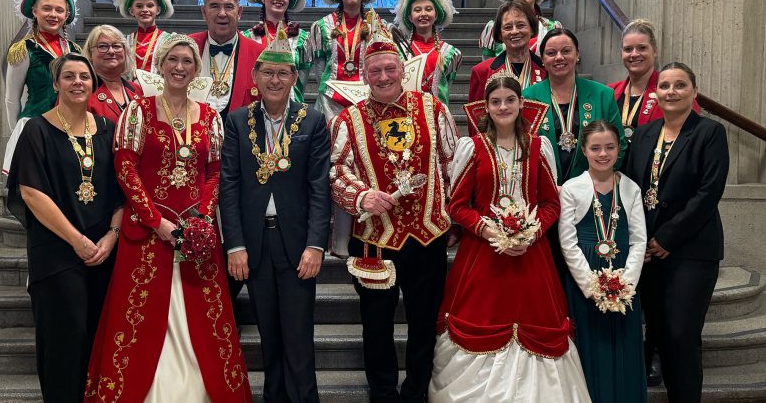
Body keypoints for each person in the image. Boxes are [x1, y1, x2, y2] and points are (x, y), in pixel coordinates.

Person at [84, 35, 251, 402]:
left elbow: (214, 171)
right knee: (141, 315)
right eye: (173, 60)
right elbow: (125, 169)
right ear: (160, 66)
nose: (180, 67)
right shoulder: (138, 111)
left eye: (187, 62)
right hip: (145, 233)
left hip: (197, 233)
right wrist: (156, 221)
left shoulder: (209, 117)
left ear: (196, 69)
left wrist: (203, 220)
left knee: (203, 316)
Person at [430, 73, 589, 403]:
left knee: (536, 323)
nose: (503, 106)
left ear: (521, 103)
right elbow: (458, 206)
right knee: (482, 321)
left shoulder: (537, 147)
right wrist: (488, 229)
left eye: (510, 100)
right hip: (482, 256)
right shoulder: (471, 148)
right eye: (496, 101)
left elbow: (550, 203)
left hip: (532, 255)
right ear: (485, 107)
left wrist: (531, 233)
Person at [330, 21, 458, 403]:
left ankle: (417, 391)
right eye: (375, 71)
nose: (383, 76)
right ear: (364, 76)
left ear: (403, 69)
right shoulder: (346, 120)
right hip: (375, 241)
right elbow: (336, 172)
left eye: (390, 68)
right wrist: (361, 197)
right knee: (376, 326)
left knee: (424, 323)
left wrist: (451, 215)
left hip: (427, 235)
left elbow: (453, 163)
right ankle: (383, 394)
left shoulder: (433, 108)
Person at [220, 26, 331, 402]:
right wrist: (234, 244)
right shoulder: (236, 121)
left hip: (298, 243)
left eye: (283, 73)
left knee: (298, 335)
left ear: (294, 77)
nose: (275, 79)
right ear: (255, 75)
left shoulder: (313, 121)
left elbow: (319, 187)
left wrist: (316, 244)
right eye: (267, 71)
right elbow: (229, 186)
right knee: (269, 333)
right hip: (254, 242)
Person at [6, 53, 122, 402]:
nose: (77, 83)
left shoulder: (107, 130)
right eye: (68, 76)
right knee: (62, 343)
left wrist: (111, 237)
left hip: (103, 253)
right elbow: (30, 191)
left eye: (84, 77)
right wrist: (77, 241)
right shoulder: (36, 129)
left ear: (93, 83)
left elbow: (122, 191)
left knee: (98, 341)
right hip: (57, 253)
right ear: (56, 84)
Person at [625, 62, 729, 403]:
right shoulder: (644, 134)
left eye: (680, 85)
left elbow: (708, 192)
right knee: (656, 331)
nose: (671, 91)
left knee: (681, 334)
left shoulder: (709, 133)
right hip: (650, 252)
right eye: (665, 85)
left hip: (691, 250)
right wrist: (643, 240)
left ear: (694, 92)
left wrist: (667, 238)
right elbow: (632, 189)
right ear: (656, 92)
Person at [558, 120, 647, 402]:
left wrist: (626, 284)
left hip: (622, 278)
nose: (603, 154)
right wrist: (591, 286)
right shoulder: (572, 188)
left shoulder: (631, 188)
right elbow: (567, 242)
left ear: (619, 149)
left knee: (622, 342)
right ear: (584, 150)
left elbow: (638, 240)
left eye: (610, 147)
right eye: (595, 148)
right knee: (590, 343)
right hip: (586, 276)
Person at [3, 0, 81, 175]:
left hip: (71, 128)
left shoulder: (75, 51)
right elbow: (12, 98)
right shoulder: (24, 49)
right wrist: (19, 134)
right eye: (47, 9)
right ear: (35, 12)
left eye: (59, 10)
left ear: (67, 15)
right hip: (36, 126)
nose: (53, 15)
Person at [524, 28, 626, 185]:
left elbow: (620, 145)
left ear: (577, 54)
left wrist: (597, 182)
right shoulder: (528, 97)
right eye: (551, 53)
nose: (559, 57)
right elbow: (521, 147)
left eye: (566, 51)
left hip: (591, 191)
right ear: (542, 59)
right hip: (543, 192)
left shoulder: (602, 95)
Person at [608, 19, 700, 153]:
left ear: (655, 51)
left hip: (657, 167)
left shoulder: (673, 92)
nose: (634, 54)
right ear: (621, 53)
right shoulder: (609, 91)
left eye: (642, 48)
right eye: (628, 49)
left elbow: (691, 136)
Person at [189, 0, 262, 118]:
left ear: (239, 13)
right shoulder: (186, 47)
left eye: (229, 6)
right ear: (203, 12)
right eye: (214, 6)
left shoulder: (259, 54)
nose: (222, 13)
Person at [309, 0, 379, 121]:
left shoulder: (376, 25)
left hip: (366, 100)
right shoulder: (321, 26)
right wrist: (328, 88)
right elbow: (319, 67)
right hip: (329, 101)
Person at [467, 0, 547, 133]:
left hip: (538, 146)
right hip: (495, 148)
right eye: (508, 27)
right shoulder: (481, 71)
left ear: (532, 29)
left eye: (521, 25)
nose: (515, 32)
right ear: (499, 34)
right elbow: (476, 123)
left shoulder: (546, 69)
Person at [244, 0, 312, 103]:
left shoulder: (303, 39)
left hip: (290, 107)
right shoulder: (247, 37)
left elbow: (302, 81)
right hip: (255, 105)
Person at [391, 0, 462, 107]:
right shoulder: (398, 50)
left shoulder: (452, 53)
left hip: (438, 116)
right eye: (417, 10)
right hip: (407, 114)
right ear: (410, 17)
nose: (423, 14)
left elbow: (447, 84)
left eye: (428, 9)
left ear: (436, 15)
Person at [109, 0, 175, 72]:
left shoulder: (169, 40)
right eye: (139, 6)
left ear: (158, 10)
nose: (145, 10)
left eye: (150, 5)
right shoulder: (124, 41)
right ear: (131, 11)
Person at [83, 25, 143, 123]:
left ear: (125, 52)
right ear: (90, 54)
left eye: (116, 46)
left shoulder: (137, 90)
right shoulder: (81, 90)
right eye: (102, 46)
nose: (111, 51)